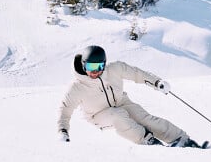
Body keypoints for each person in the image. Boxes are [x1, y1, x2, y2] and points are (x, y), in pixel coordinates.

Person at [56, 45, 203, 148]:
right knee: (118, 115)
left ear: (104, 64)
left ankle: (182, 139)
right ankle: (147, 141)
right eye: (91, 67)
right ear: (83, 65)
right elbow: (65, 110)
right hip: (98, 115)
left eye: (99, 67)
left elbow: (136, 73)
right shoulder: (76, 87)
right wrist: (63, 131)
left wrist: (157, 82)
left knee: (145, 119)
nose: (95, 72)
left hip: (121, 102)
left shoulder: (115, 69)